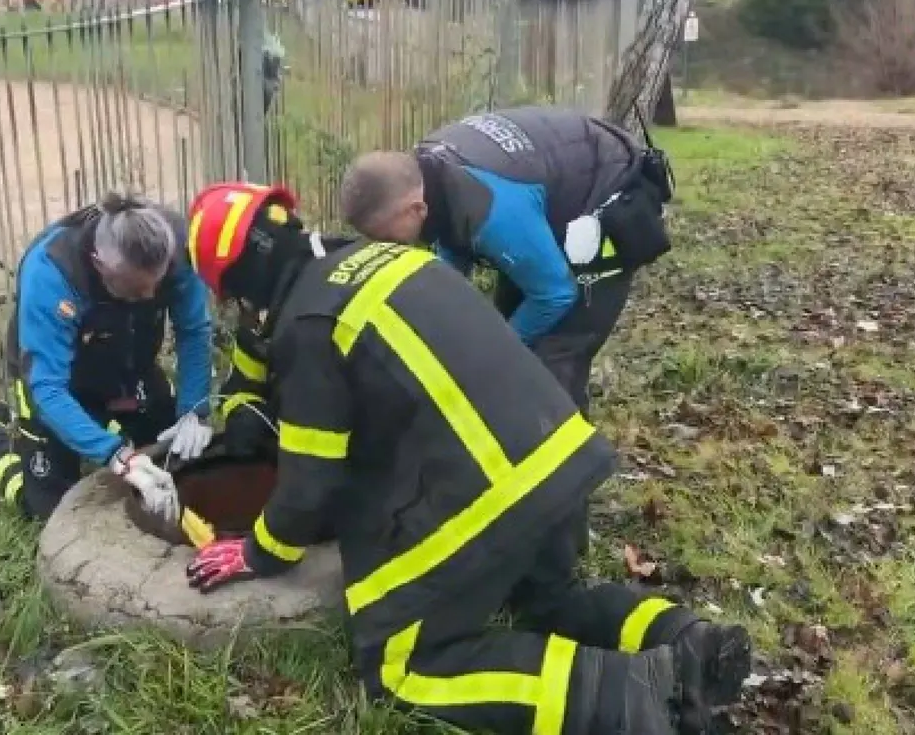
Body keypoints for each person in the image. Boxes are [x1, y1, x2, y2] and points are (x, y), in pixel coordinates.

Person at [181, 180, 750, 735]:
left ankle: (642, 698)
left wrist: (260, 551)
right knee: (547, 600)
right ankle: (689, 642)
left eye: (233, 296)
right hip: (557, 457)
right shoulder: (381, 258)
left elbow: (310, 483)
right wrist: (241, 409)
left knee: (403, 668)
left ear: (244, 278)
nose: (239, 309)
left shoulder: (308, 323)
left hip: (490, 491)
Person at [338, 106, 675, 415]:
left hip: (608, 191)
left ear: (416, 209)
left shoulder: (494, 212)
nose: (386, 247)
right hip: (540, 195)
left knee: (551, 361)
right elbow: (451, 260)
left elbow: (555, 293)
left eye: (387, 237)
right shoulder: (425, 176)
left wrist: (494, 354)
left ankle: (567, 453)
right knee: (508, 320)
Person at [0, 191, 215, 524]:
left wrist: (194, 410)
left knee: (181, 466)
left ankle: (111, 424)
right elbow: (47, 388)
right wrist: (118, 456)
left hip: (130, 367)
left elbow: (194, 330)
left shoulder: (176, 247)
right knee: (52, 514)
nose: (150, 296)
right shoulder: (51, 273)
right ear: (99, 264)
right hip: (58, 380)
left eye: (157, 283)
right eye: (134, 289)